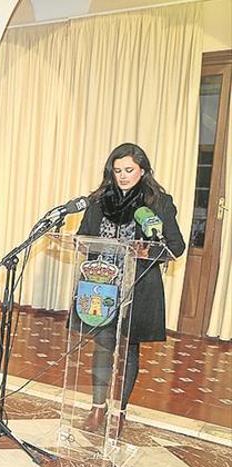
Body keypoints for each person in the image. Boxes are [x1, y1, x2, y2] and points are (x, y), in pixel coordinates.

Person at [76, 143, 186, 435]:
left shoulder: (158, 202)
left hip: (138, 288)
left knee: (128, 349)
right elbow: (82, 238)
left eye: (129, 170)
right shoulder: (98, 200)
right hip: (101, 289)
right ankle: (98, 409)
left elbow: (176, 246)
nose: (123, 176)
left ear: (143, 171)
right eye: (117, 170)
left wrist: (145, 251)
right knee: (102, 347)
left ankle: (119, 412)